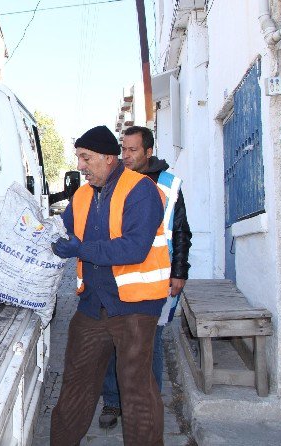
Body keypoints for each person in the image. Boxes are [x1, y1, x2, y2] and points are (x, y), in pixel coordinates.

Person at [50, 125, 169, 446]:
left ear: (107, 157)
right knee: (76, 384)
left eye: (85, 158)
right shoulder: (82, 195)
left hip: (135, 306)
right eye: (78, 157)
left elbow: (134, 248)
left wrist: (80, 248)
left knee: (136, 389)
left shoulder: (141, 190)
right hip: (92, 305)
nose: (80, 166)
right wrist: (49, 236)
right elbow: (66, 231)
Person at [98, 125, 192, 429]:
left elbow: (180, 231)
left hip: (157, 279)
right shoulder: (111, 182)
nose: (125, 156)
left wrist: (179, 271)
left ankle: (147, 404)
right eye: (122, 149)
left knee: (150, 342)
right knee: (114, 341)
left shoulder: (168, 184)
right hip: (118, 278)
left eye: (132, 150)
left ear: (148, 152)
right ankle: (113, 401)